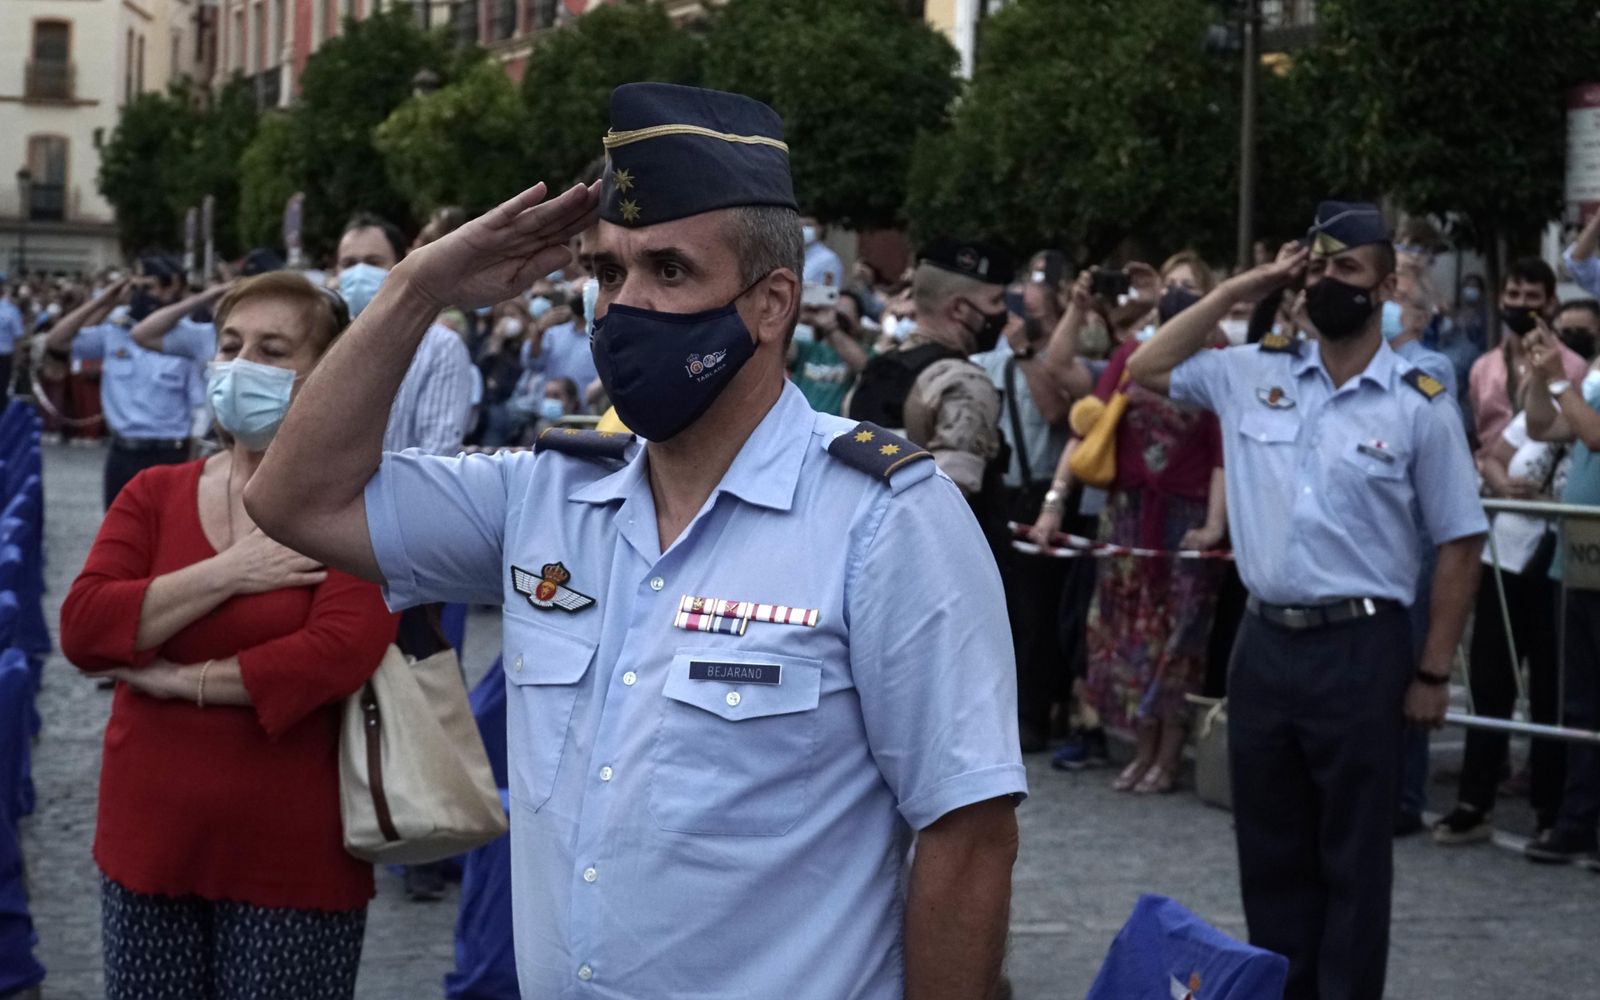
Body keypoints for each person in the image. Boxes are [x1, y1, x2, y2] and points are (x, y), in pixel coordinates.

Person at [245, 82, 1025, 1000]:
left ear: (772, 303)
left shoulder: (884, 518)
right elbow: (297, 500)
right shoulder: (547, 494)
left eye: (670, 271)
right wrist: (420, 288)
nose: (625, 306)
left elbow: (968, 835)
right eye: (607, 273)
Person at [1127, 201, 1487, 1000]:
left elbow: (1460, 538)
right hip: (1266, 646)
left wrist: (1432, 671)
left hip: (1362, 648)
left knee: (1353, 858)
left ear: (1386, 287)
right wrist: (1242, 286)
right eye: (1319, 268)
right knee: (1270, 851)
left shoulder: (1420, 398)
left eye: (1347, 270)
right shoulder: (1254, 371)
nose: (1329, 283)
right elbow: (1145, 368)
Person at [59, 271, 398, 1000]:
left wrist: (176, 677)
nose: (242, 366)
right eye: (232, 345)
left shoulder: (355, 505)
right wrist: (233, 572)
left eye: (273, 351)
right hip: (149, 839)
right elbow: (86, 628)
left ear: (324, 377)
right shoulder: (152, 494)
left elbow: (336, 652)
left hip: (293, 852)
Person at [1086, 284, 1227, 795]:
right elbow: (1093, 421)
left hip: (1184, 516)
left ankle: (1168, 756)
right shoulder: (1132, 359)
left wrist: (1214, 526)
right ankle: (1140, 749)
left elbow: (1222, 457)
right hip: (1127, 514)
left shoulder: (1216, 368)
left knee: (1179, 642)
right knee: (1132, 641)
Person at [973, 253, 1072, 751]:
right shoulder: (984, 361)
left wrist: (1028, 356)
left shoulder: (1057, 357)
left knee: (1036, 616)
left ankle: (1033, 716)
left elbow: (1057, 413)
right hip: (999, 493)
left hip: (1040, 495)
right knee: (1000, 609)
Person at [1522, 325, 1600, 866]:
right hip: (1579, 555)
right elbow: (1543, 426)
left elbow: (1595, 435)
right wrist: (1537, 378)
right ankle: (1578, 819)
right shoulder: (1594, 373)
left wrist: (1556, 379)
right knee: (1580, 700)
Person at [43, 260, 205, 507]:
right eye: (138, 286)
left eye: (151, 286)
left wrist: (192, 465)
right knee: (119, 537)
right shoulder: (113, 331)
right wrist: (104, 300)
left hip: (171, 453)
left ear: (172, 289)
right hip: (123, 453)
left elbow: (199, 410)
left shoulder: (187, 338)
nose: (143, 294)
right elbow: (57, 341)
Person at [337, 213, 477, 457]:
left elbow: (436, 454)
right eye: (349, 264)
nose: (359, 273)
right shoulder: (323, 341)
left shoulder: (441, 348)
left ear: (400, 265)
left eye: (373, 262)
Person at [1467, 257, 1587, 458]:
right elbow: (1477, 431)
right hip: (1489, 480)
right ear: (1500, 300)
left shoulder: (1573, 366)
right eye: (1513, 294)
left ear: (1550, 303)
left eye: (1532, 296)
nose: (1521, 303)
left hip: (1546, 482)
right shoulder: (1482, 367)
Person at [788, 287, 870, 415]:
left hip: (839, 430)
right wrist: (793, 315)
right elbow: (777, 352)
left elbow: (865, 368)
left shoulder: (866, 352)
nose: (834, 313)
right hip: (796, 423)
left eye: (844, 309)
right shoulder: (806, 348)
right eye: (831, 306)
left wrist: (830, 326)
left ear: (859, 321)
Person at [801, 212, 843, 288]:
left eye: (808, 225)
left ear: (820, 228)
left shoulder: (828, 258)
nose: (803, 229)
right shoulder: (790, 254)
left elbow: (830, 289)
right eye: (800, 225)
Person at [0, 272, 24, 395]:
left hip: (4, 359)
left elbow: (18, 338)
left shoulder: (11, 310)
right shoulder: (12, 310)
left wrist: (16, 363)